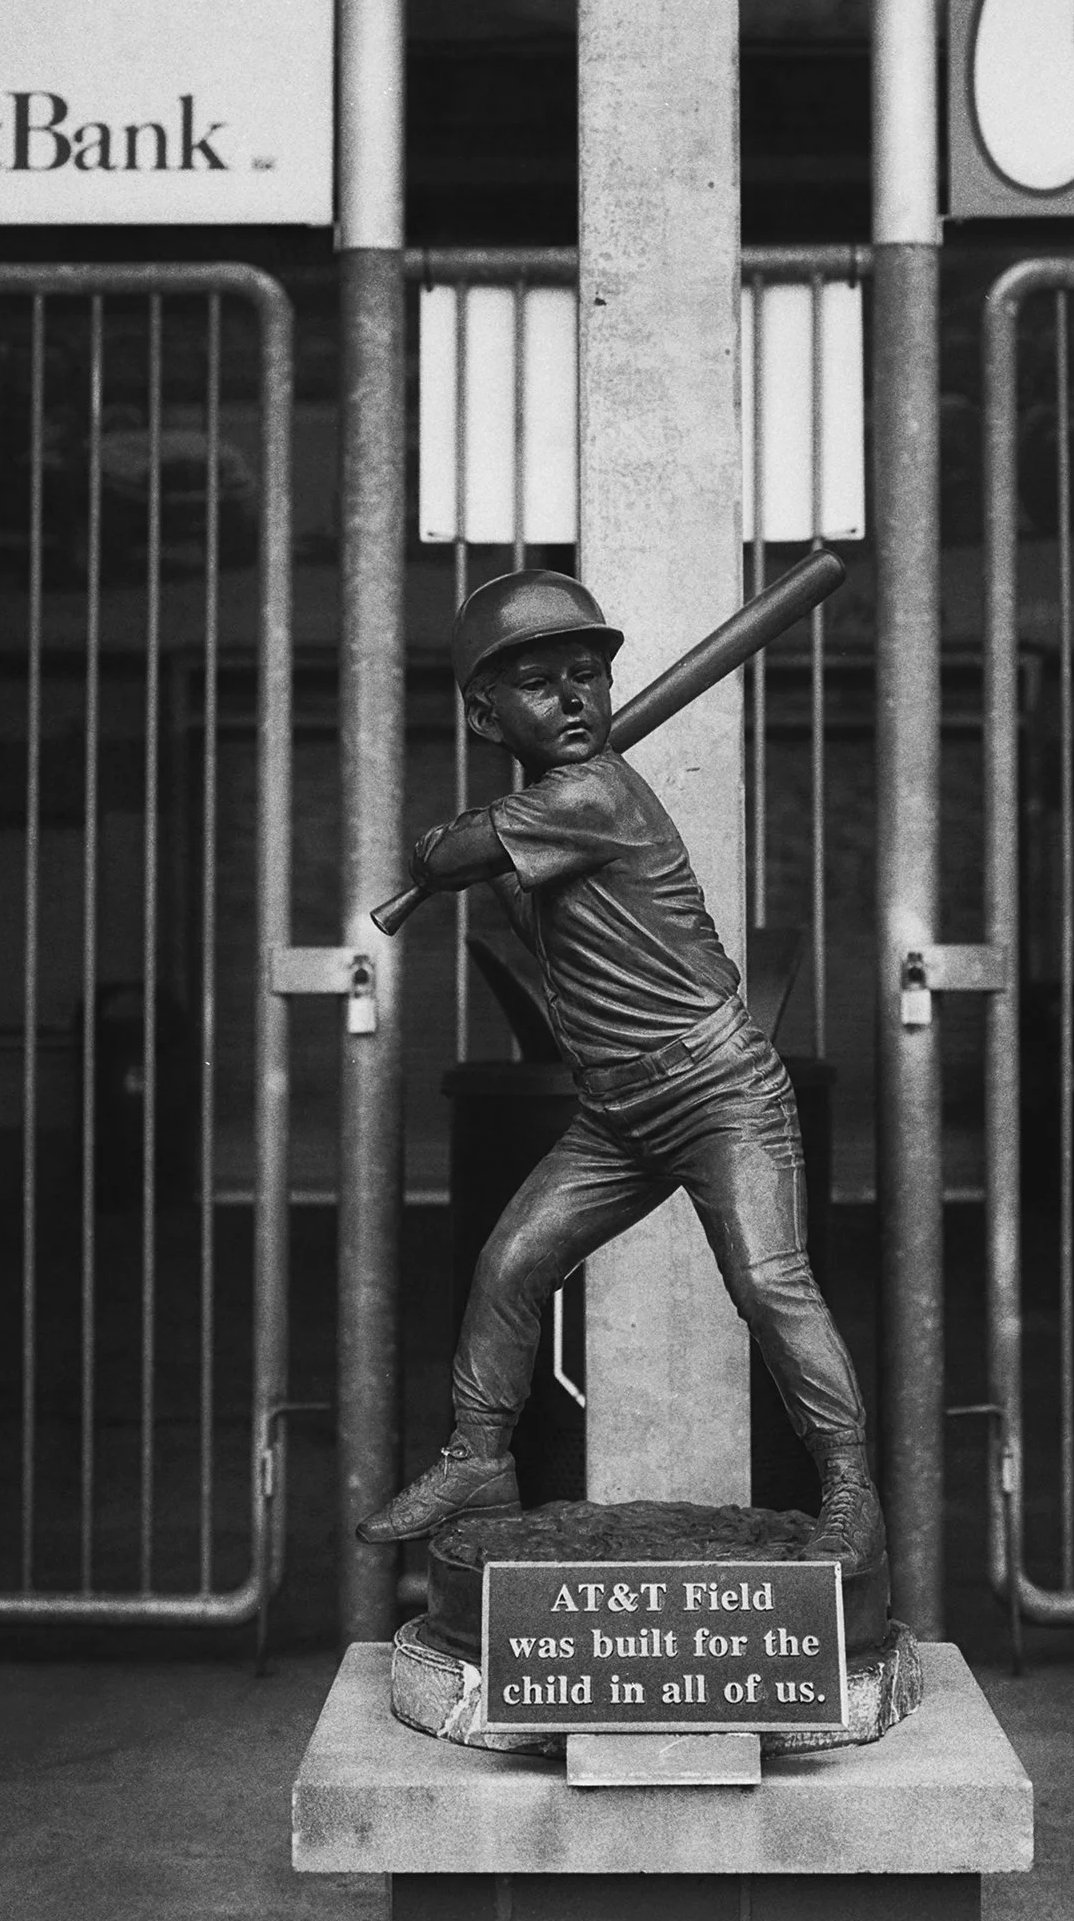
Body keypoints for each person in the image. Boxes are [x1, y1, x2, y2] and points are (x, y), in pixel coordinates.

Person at [356, 569, 886, 1578]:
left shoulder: (592, 792)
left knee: (771, 1287)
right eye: (540, 683)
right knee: (511, 1263)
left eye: (589, 677)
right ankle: (476, 1459)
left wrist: (455, 847)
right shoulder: (552, 814)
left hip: (718, 1092)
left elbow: (442, 851)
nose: (574, 700)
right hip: (618, 1114)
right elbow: (498, 877)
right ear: (483, 712)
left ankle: (851, 1492)